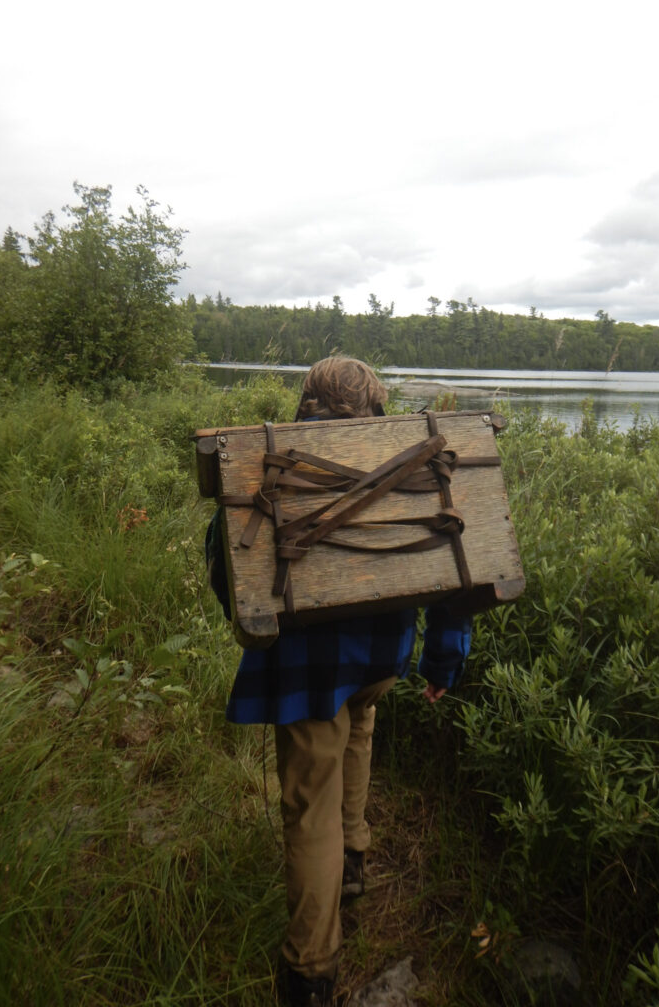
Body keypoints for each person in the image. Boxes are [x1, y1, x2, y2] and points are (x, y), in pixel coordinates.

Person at [222, 356, 471, 1007]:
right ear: (374, 404)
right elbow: (458, 564)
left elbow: (233, 571)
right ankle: (354, 861)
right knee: (360, 728)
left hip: (309, 666)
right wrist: (444, 659)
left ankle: (310, 970)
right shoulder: (411, 455)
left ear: (307, 401)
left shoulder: (269, 455)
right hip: (384, 651)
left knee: (309, 810)